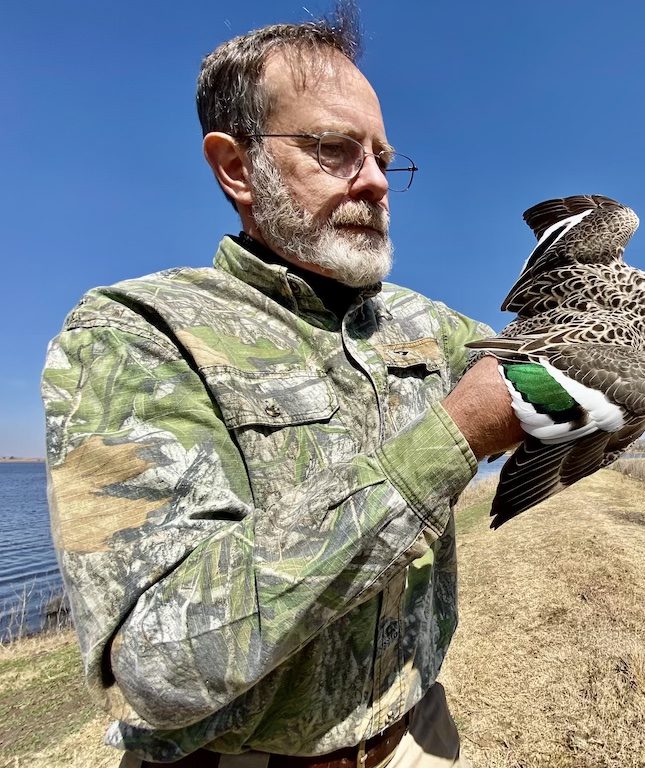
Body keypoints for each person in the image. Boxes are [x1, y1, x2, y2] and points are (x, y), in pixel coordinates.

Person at [41, 7, 522, 767]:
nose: (374, 182)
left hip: (418, 738)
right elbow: (158, 664)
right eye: (335, 150)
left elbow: (550, 357)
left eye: (383, 157)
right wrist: (453, 438)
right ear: (236, 166)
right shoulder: (137, 333)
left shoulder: (429, 324)